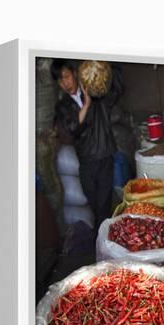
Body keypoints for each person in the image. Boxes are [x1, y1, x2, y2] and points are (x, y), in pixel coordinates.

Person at [51, 59, 123, 233]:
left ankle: (100, 244)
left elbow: (117, 88)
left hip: (104, 155)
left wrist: (106, 68)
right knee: (93, 202)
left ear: (75, 74)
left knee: (103, 205)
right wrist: (87, 105)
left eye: (67, 77)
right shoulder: (63, 106)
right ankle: (102, 241)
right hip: (86, 162)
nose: (65, 83)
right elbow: (73, 128)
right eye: (60, 81)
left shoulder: (98, 94)